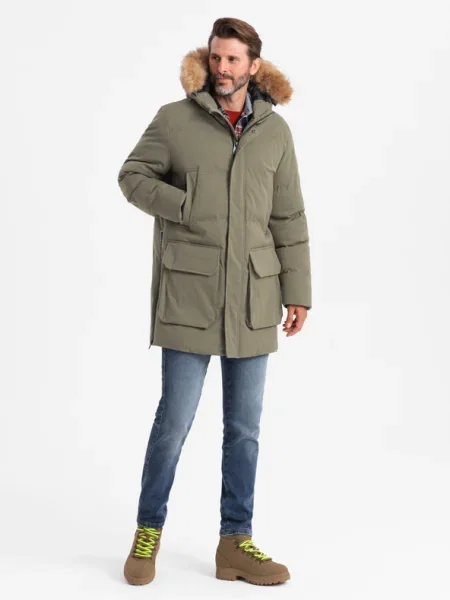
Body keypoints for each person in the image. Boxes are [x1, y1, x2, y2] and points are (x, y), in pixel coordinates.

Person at [117, 17, 312, 587]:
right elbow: (132, 176)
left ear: (254, 66)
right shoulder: (175, 120)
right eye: (216, 57)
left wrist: (298, 292)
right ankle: (147, 531)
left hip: (254, 296)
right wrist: (184, 205)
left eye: (233, 59)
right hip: (190, 295)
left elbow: (289, 216)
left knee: (244, 430)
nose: (222, 68)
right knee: (173, 423)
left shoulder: (275, 132)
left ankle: (235, 543)